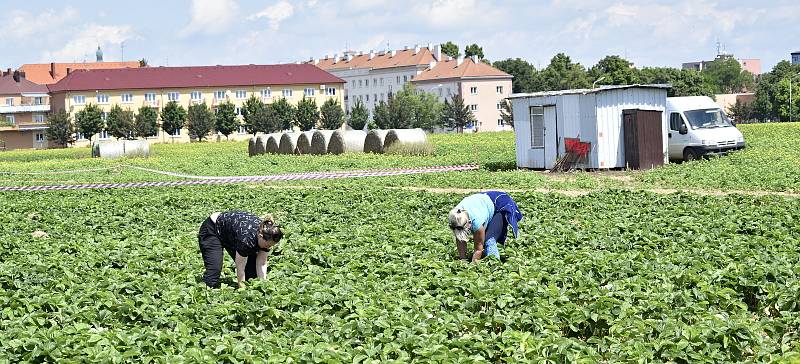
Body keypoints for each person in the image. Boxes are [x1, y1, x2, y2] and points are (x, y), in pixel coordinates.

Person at [197, 211, 283, 288]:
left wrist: (263, 285)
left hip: (231, 234)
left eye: (271, 246)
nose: (268, 248)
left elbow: (262, 263)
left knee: (252, 275)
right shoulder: (246, 239)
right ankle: (205, 290)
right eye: (267, 245)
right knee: (213, 273)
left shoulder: (268, 233)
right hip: (212, 229)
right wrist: (242, 289)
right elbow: (240, 267)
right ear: (260, 236)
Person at [448, 191, 523, 262]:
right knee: (477, 236)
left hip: (499, 203)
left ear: (470, 223)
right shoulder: (455, 217)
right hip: (484, 201)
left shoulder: (477, 222)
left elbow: (478, 249)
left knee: (489, 240)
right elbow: (460, 238)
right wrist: (463, 260)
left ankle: (494, 265)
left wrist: (472, 267)